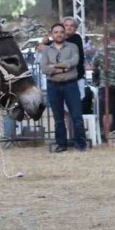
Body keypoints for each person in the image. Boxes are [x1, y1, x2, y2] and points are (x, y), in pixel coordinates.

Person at [41, 22, 86, 152]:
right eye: (56, 32)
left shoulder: (73, 46)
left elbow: (74, 62)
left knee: (76, 115)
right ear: (52, 34)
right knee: (58, 118)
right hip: (53, 86)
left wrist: (54, 66)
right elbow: (44, 67)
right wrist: (63, 67)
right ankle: (61, 144)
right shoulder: (47, 50)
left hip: (70, 85)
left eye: (61, 32)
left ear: (64, 34)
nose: (59, 34)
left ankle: (80, 143)